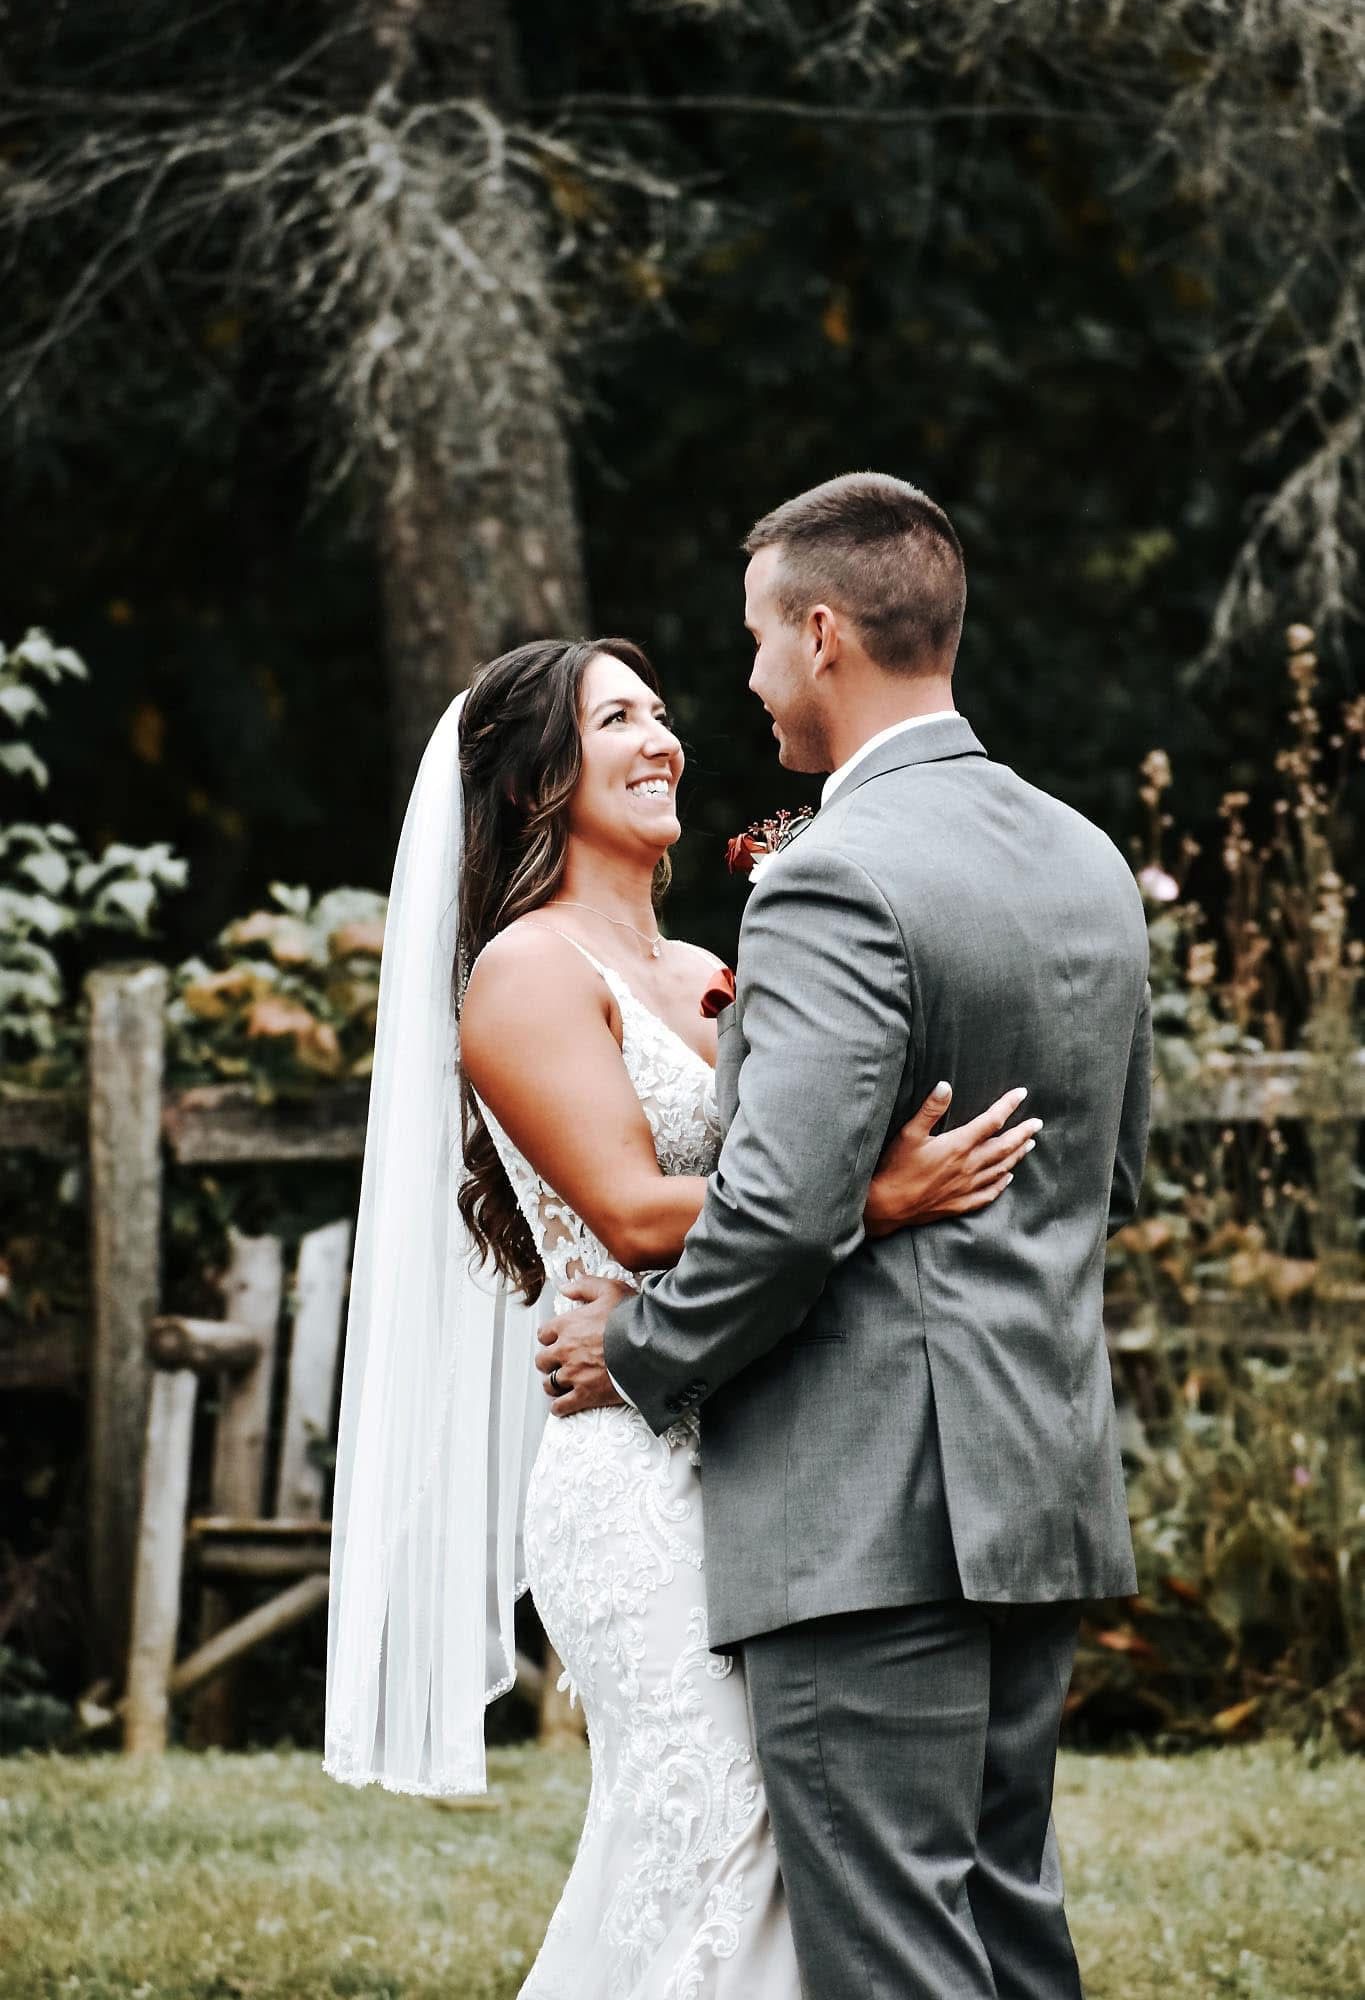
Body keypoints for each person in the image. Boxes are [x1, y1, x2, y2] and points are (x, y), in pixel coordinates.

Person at [324, 626, 1037, 1997]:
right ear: (536, 779)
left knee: (794, 1828)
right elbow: (637, 1214)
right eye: (617, 722)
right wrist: (878, 1199)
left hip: (760, 1441)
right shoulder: (527, 971)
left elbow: (785, 1165)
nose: (663, 740)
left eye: (659, 714)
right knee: (721, 1828)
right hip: (635, 1475)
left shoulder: (712, 964)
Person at [541, 473, 1153, 1999]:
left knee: (890, 1955)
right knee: (1005, 1930)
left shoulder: (832, 874)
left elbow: (773, 1213)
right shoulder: (1082, 856)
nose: (747, 679)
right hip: (1036, 1478)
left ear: (821, 635)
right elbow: (1109, 1176)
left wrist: (636, 1352)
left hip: (865, 1512)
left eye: (756, 639)